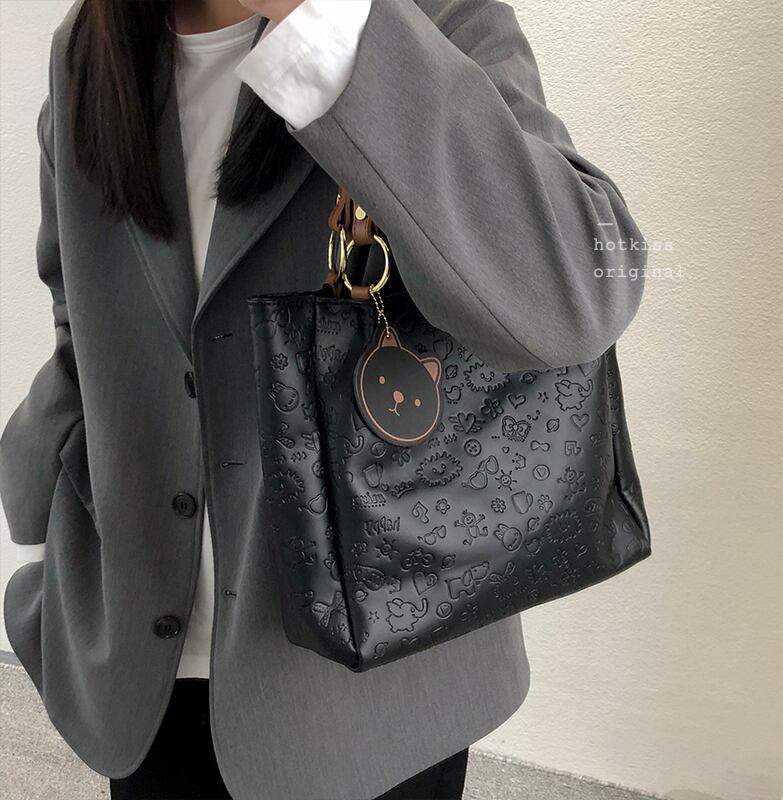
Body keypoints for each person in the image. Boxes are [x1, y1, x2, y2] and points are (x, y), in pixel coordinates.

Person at [0, 0, 647, 798]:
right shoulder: (89, 44)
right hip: (140, 671)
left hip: (375, 693)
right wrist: (36, 516)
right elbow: (80, 315)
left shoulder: (429, 14)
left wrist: (325, 25)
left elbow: (577, 291)